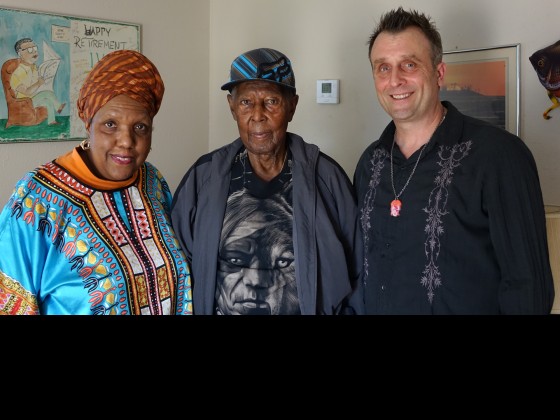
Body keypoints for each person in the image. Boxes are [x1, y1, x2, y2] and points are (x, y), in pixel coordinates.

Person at [353, 7, 554, 314]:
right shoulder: (370, 163)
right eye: (383, 68)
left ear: (439, 73)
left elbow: (527, 286)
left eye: (409, 64)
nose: (395, 80)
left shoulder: (499, 155)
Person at [0, 49, 192, 315]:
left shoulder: (152, 182)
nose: (126, 141)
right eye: (110, 124)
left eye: (140, 127)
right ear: (88, 123)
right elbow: (11, 304)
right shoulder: (35, 200)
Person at [171, 47, 362, 315]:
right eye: (246, 102)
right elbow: (176, 271)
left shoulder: (327, 179)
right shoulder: (203, 179)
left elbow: (358, 273)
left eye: (271, 101)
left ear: (292, 106)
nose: (257, 115)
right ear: (232, 108)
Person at [10, 38, 65, 125]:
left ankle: (52, 121)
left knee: (48, 102)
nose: (34, 52)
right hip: (24, 102)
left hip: (33, 98)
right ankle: (58, 106)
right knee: (47, 93)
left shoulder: (34, 68)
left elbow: (37, 83)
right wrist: (38, 83)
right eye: (30, 49)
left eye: (35, 48)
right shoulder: (17, 74)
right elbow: (27, 92)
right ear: (20, 54)